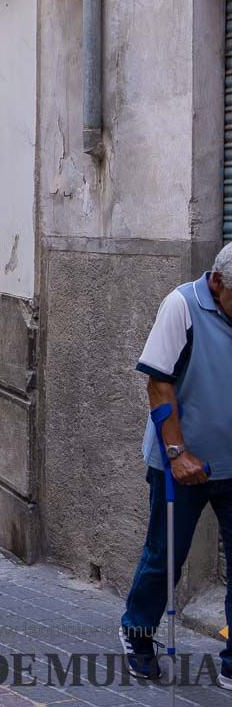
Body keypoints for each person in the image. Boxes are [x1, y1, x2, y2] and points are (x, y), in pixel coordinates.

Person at [118, 242, 232, 685]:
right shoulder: (182, 305)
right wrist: (177, 453)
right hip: (179, 462)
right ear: (218, 282)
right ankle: (138, 632)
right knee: (166, 556)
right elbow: (159, 383)